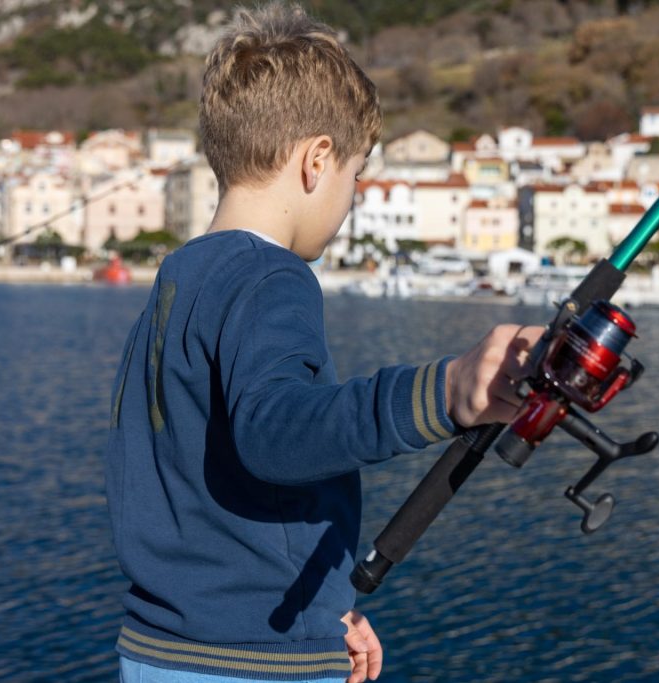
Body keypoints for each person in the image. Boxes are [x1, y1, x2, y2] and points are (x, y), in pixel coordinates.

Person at [105, 4, 543, 682]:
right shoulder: (272, 276)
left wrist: (317, 609)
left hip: (165, 649)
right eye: (356, 175)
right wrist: (448, 391)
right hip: (251, 669)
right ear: (317, 160)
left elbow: (195, 480)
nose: (352, 198)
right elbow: (276, 432)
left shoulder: (179, 278)